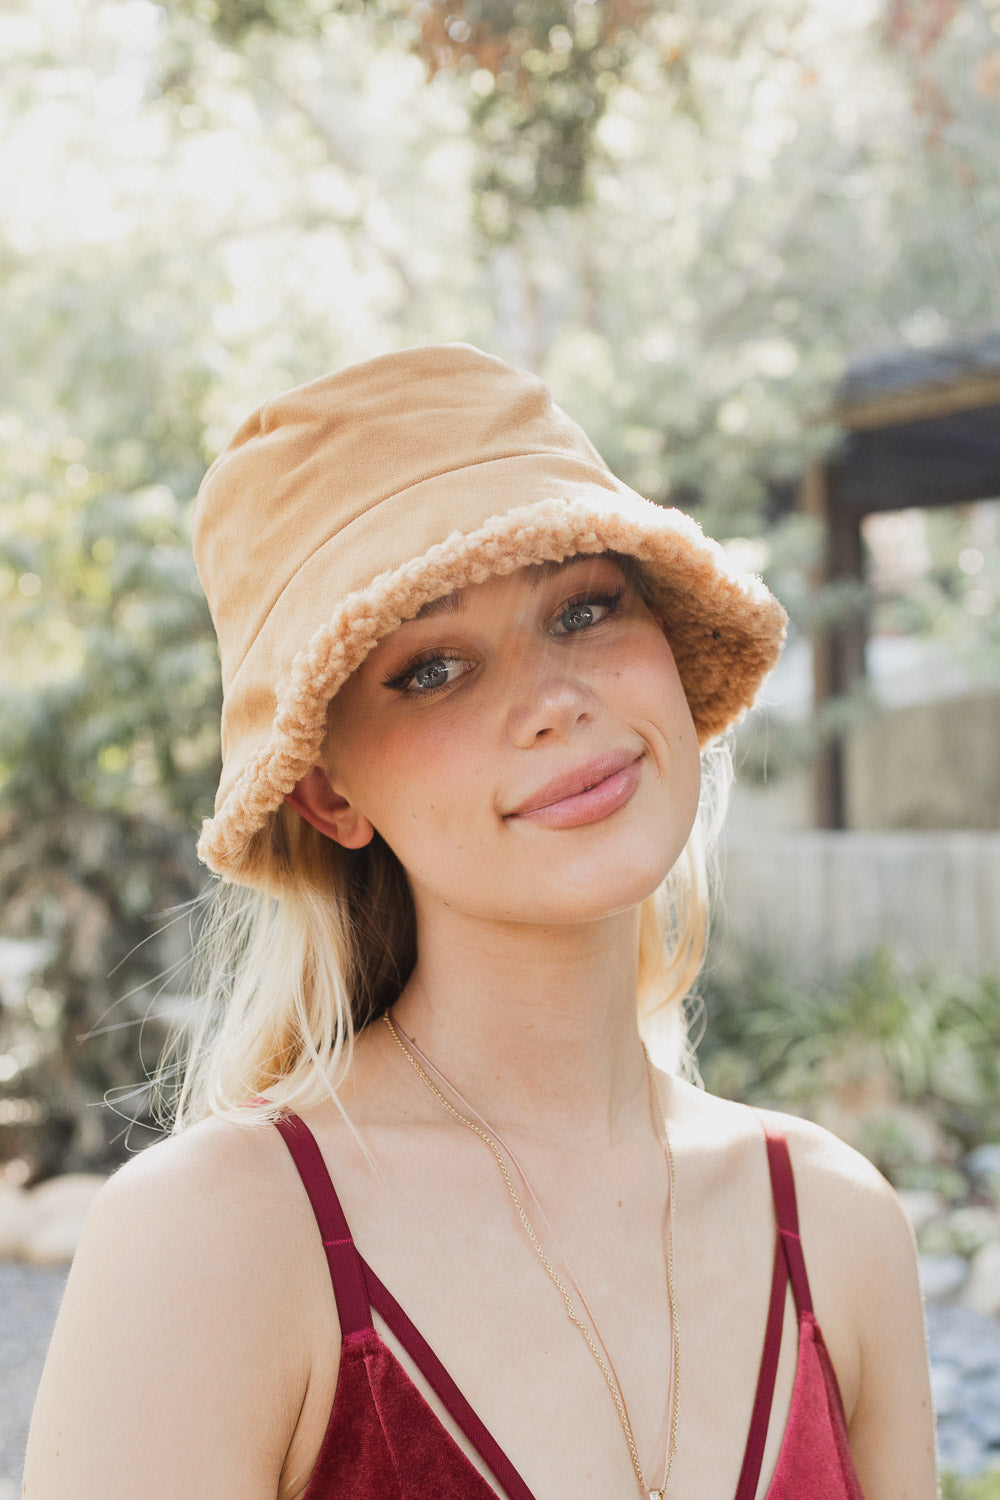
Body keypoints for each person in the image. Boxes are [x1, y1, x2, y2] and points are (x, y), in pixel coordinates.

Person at [24, 344, 936, 1500]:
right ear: (328, 792)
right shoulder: (217, 1244)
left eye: (586, 607)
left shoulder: (838, 1226)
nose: (556, 701)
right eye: (432, 669)